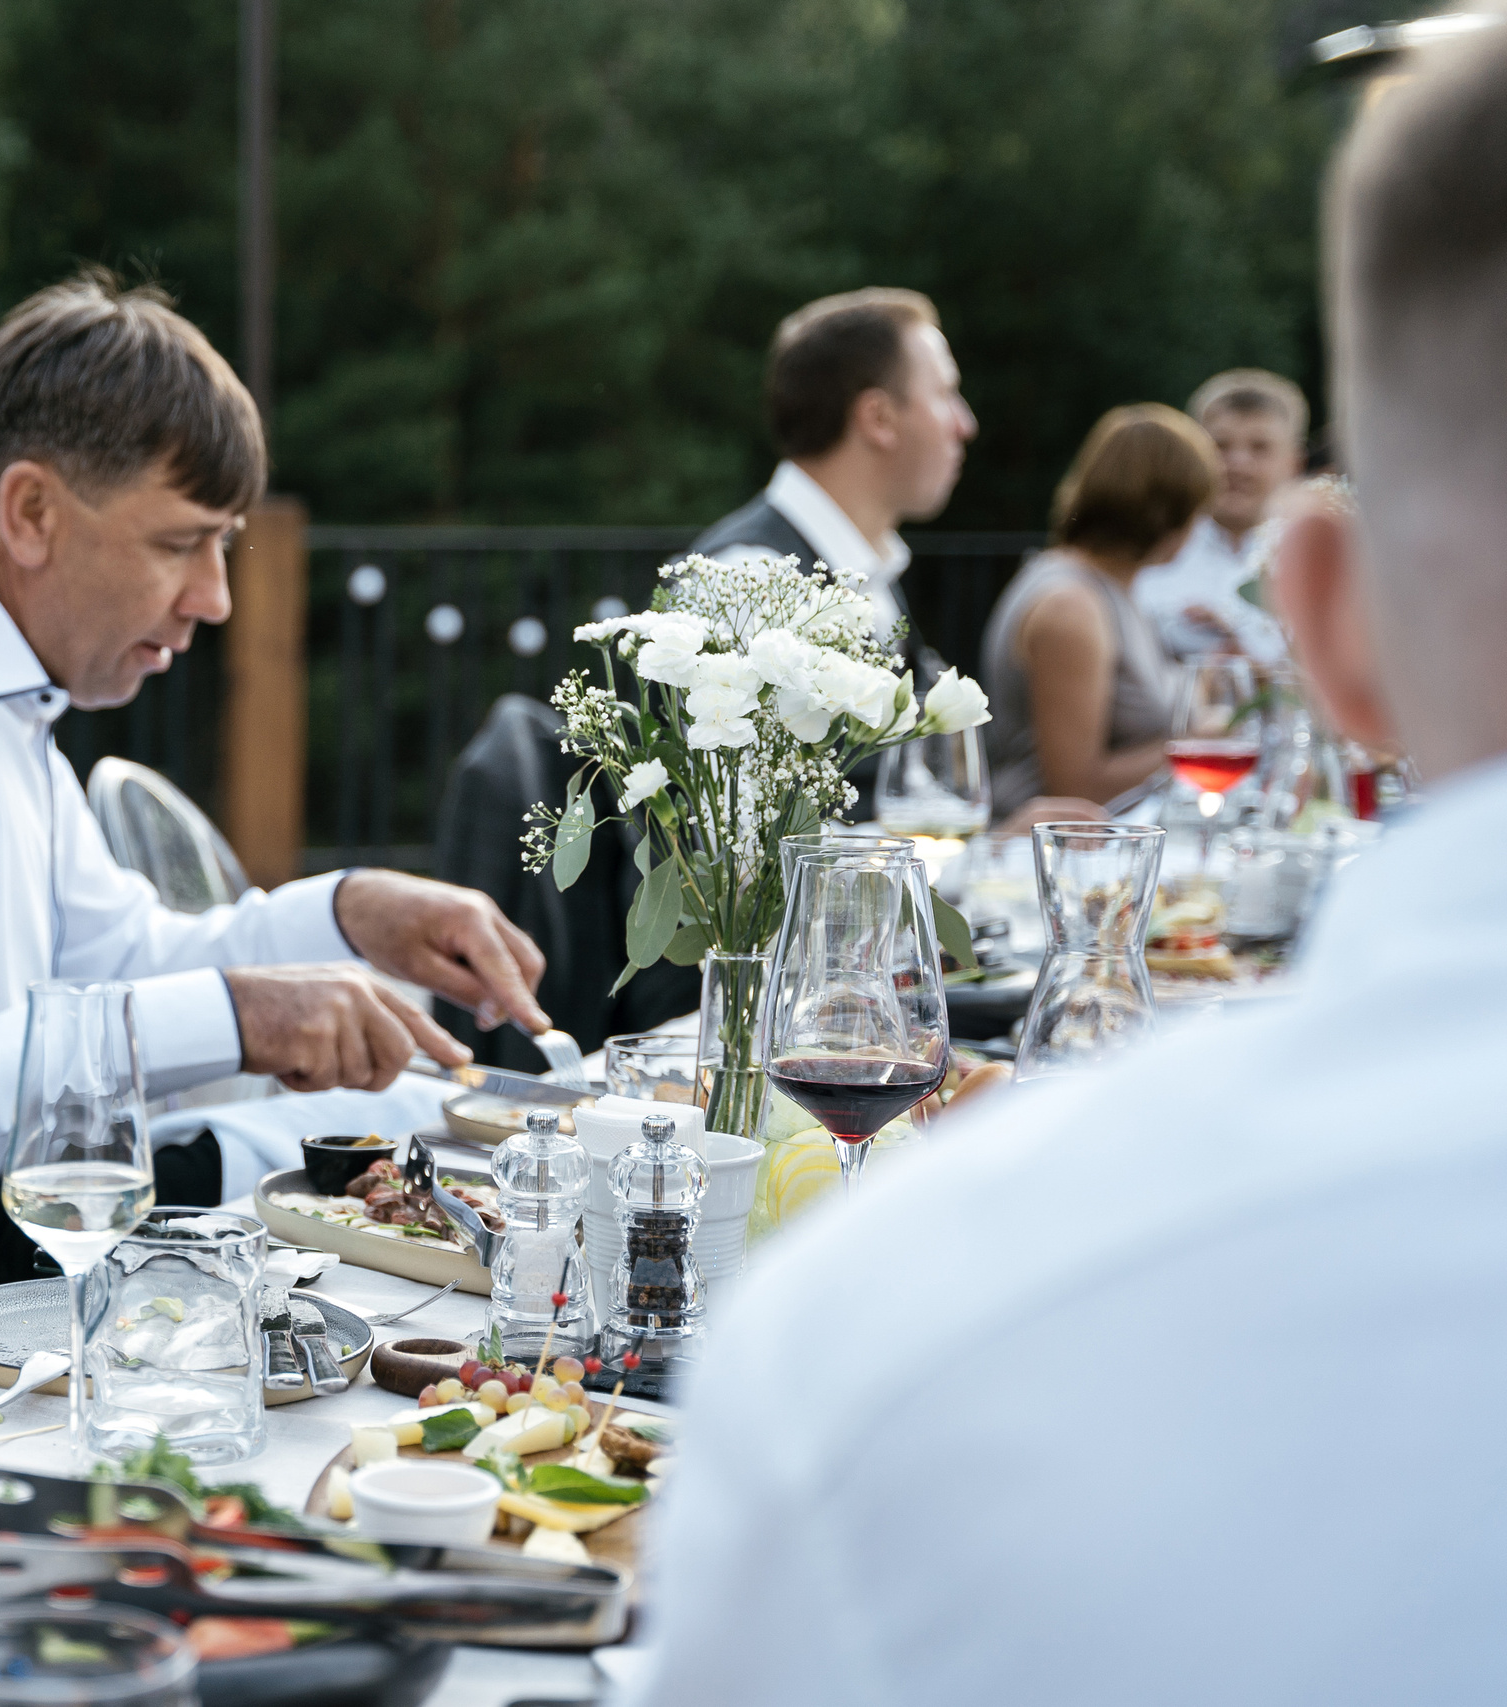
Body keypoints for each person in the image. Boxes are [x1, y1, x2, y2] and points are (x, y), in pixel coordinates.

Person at [636, 29, 1507, 1702]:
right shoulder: (763, 580)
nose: (969, 421)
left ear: (1317, 621)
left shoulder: (882, 1352)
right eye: (947, 389)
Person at [0, 272, 548, 1339]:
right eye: (182, 542)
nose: (215, 597)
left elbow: (114, 956)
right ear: (31, 512)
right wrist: (236, 1022)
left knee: (430, 1157)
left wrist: (349, 914)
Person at [692, 288, 977, 663]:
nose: (965, 425)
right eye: (945, 394)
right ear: (878, 418)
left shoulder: (863, 569)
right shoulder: (748, 584)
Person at [978, 406, 1215, 822]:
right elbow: (1074, 789)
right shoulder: (1071, 608)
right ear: (1167, 513)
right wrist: (1199, 746)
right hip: (1039, 862)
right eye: (1198, 511)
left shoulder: (1113, 588)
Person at [1130, 369, 1309, 661]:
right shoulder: (1146, 550)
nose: (1238, 464)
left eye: (1259, 448)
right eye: (1220, 446)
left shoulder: (1319, 561)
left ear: (1294, 463)